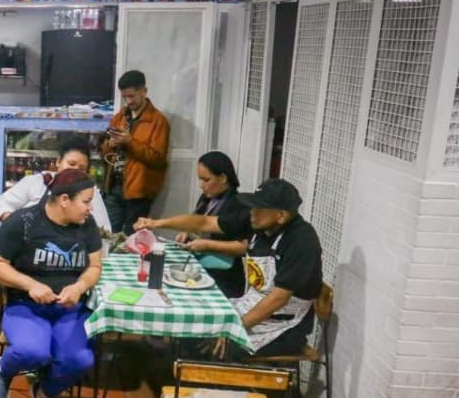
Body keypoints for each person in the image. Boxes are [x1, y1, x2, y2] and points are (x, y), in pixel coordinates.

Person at [135, 178, 323, 357]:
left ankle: (211, 386)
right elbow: (205, 222)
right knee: (193, 328)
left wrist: (234, 328)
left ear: (281, 215)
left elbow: (278, 299)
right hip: (249, 304)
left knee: (209, 348)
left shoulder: (301, 241)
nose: (252, 212)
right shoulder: (259, 223)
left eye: (259, 208)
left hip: (282, 326)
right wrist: (156, 223)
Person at [0, 169, 104, 398]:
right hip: (27, 306)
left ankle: (44, 393)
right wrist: (31, 285)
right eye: (85, 201)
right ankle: (4, 369)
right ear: (64, 200)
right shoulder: (23, 222)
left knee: (80, 359)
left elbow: (95, 266)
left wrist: (80, 286)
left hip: (69, 309)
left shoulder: (87, 225)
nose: (89, 208)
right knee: (33, 351)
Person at [100, 70, 170, 234]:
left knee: (132, 240)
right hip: (114, 186)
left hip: (139, 192)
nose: (128, 101)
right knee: (108, 234)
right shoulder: (120, 117)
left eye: (132, 96)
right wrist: (109, 144)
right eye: (125, 97)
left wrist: (130, 142)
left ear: (144, 91)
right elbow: (105, 152)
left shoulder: (158, 121)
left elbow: (158, 159)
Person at [174, 151, 248, 298]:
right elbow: (196, 222)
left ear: (223, 178)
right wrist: (186, 233)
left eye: (206, 180)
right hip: (199, 268)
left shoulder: (238, 204)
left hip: (223, 277)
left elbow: (243, 247)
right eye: (200, 180)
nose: (202, 185)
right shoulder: (207, 198)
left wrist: (207, 245)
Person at [0, 138, 110, 231]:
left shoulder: (89, 192)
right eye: (71, 163)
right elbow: (4, 203)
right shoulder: (37, 182)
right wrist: (16, 228)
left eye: (82, 168)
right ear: (58, 162)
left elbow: (103, 228)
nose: (75, 170)